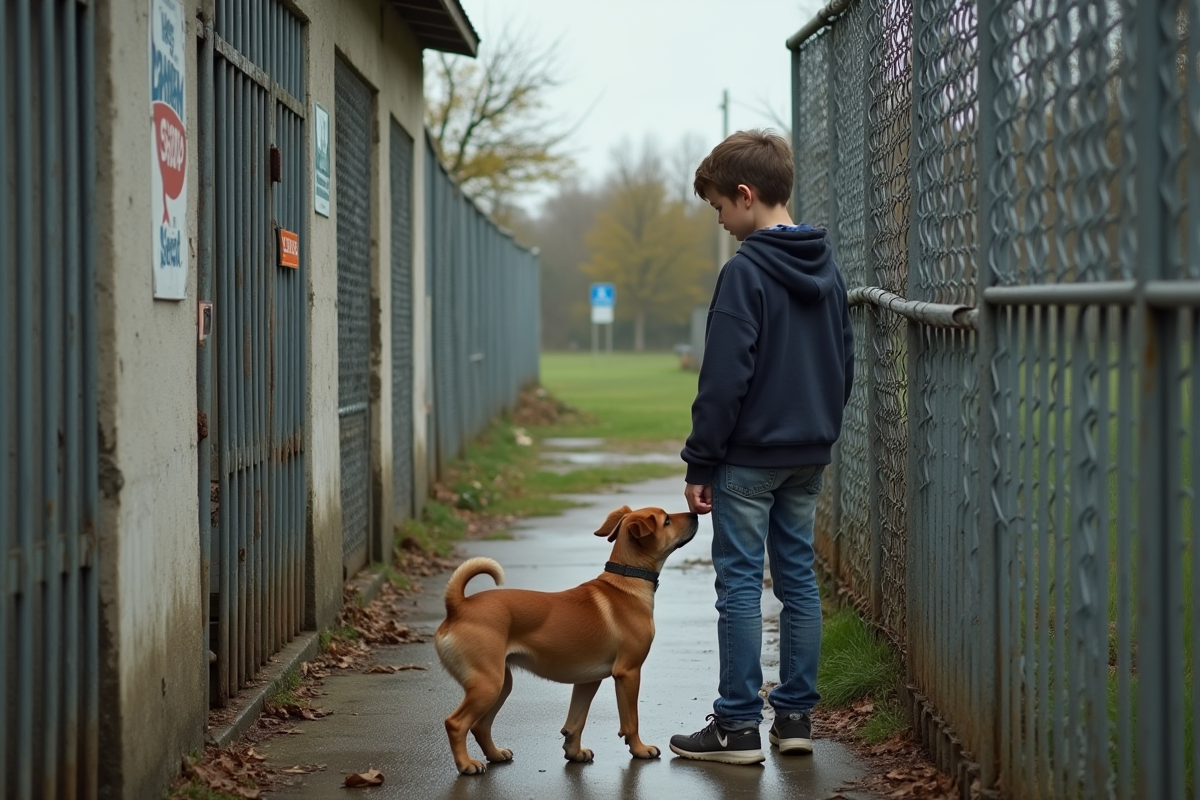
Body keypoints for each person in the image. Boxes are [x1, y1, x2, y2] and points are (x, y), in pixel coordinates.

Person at [668, 129, 854, 766]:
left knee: (742, 584)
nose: (720, 221)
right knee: (799, 578)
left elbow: (723, 379)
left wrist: (701, 460)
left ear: (745, 196)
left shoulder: (745, 272)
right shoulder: (825, 265)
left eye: (719, 207)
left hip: (749, 457)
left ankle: (738, 726)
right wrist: (821, 427)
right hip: (808, 452)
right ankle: (796, 718)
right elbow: (843, 359)